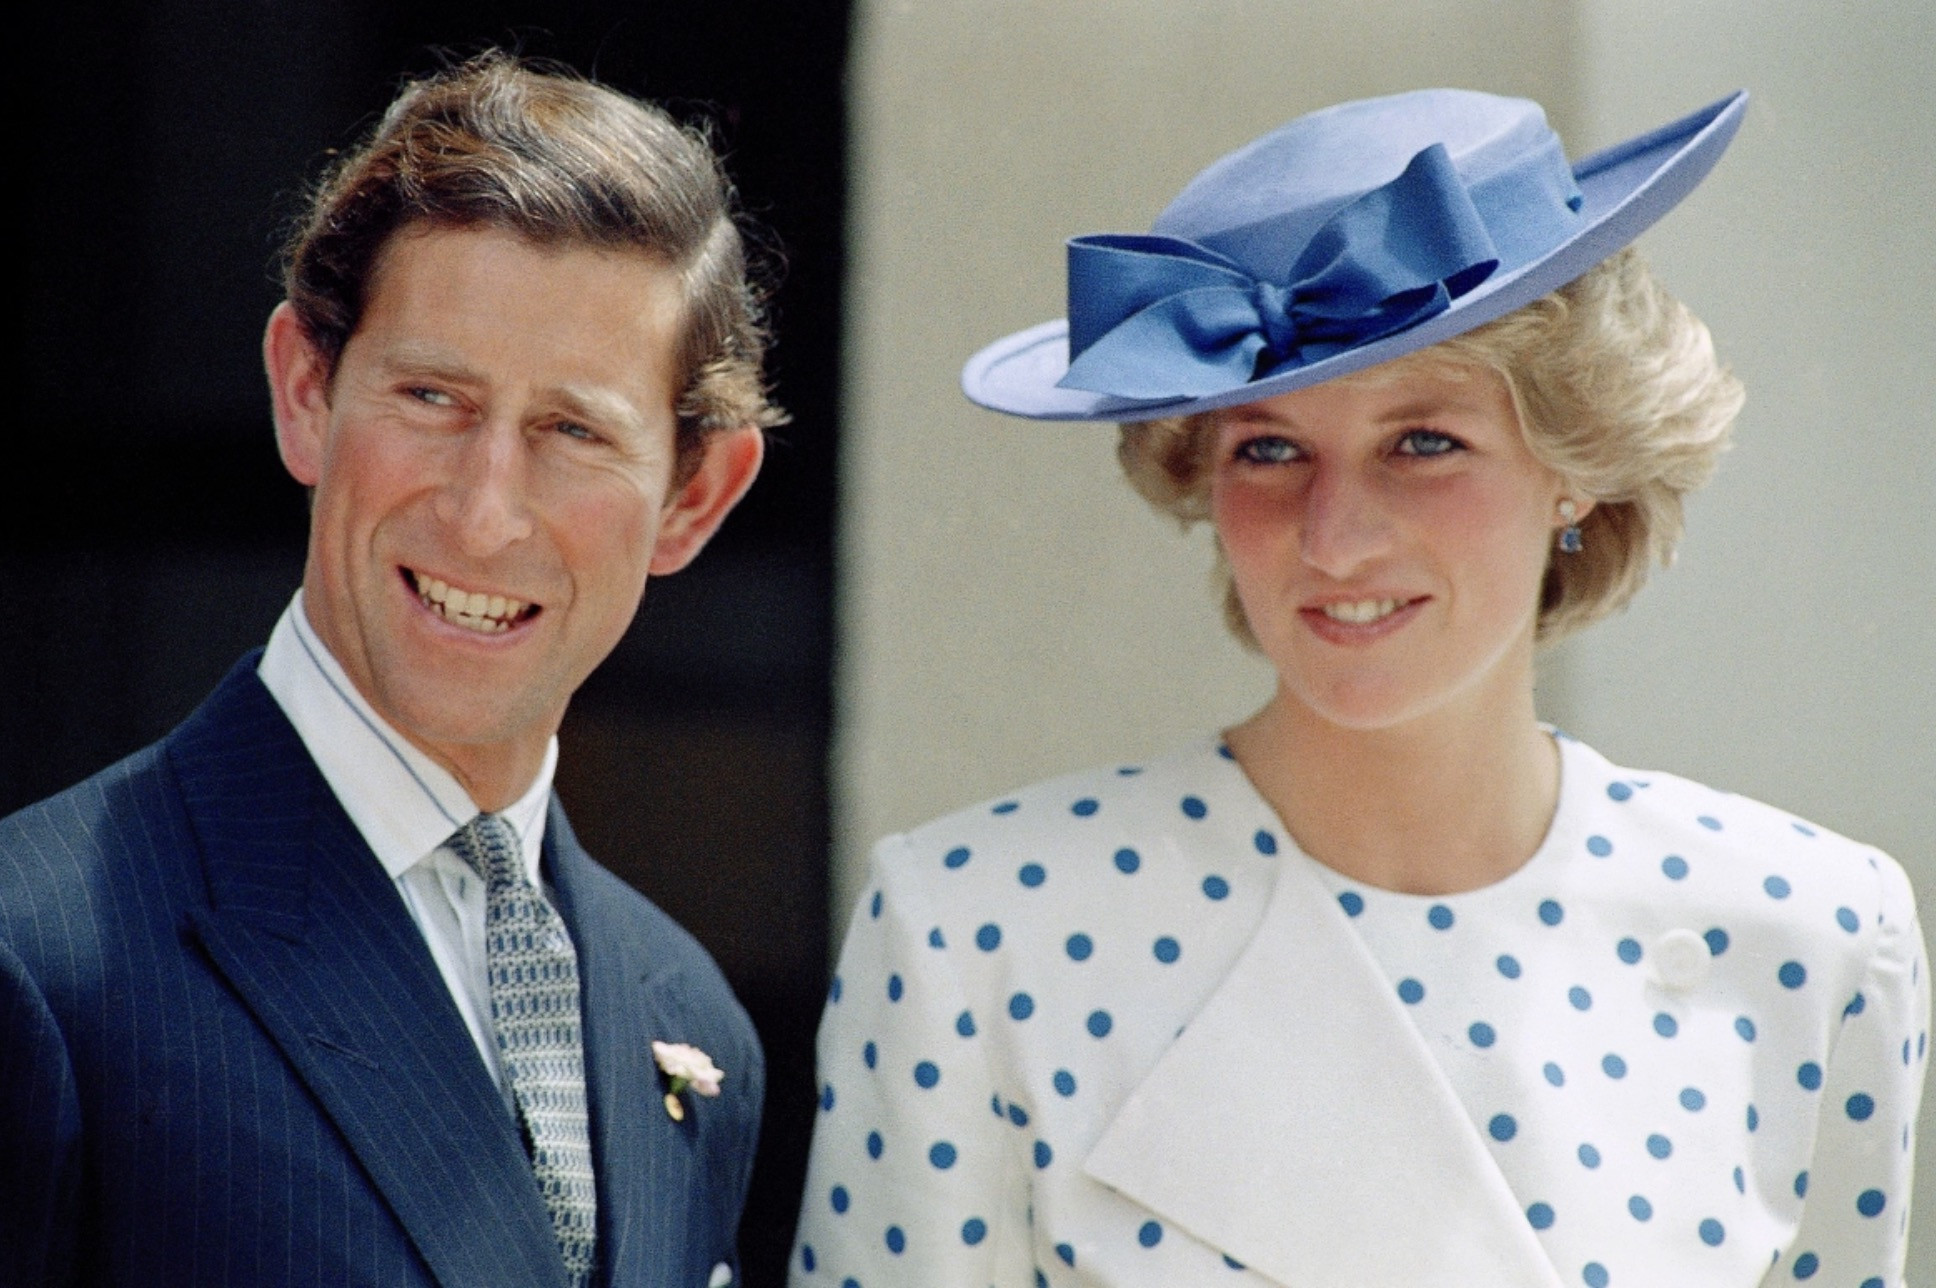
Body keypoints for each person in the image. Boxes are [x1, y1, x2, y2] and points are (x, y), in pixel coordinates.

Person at [792, 89, 1927, 1287]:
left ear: (1576, 468)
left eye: (1423, 441)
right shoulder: (975, 932)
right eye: (1269, 449)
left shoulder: (1813, 933)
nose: (1333, 538)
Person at [0, 53, 783, 1288]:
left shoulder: (684, 1012)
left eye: (572, 429)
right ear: (305, 392)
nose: (483, 513)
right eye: (431, 396)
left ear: (695, 497)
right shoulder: (37, 958)